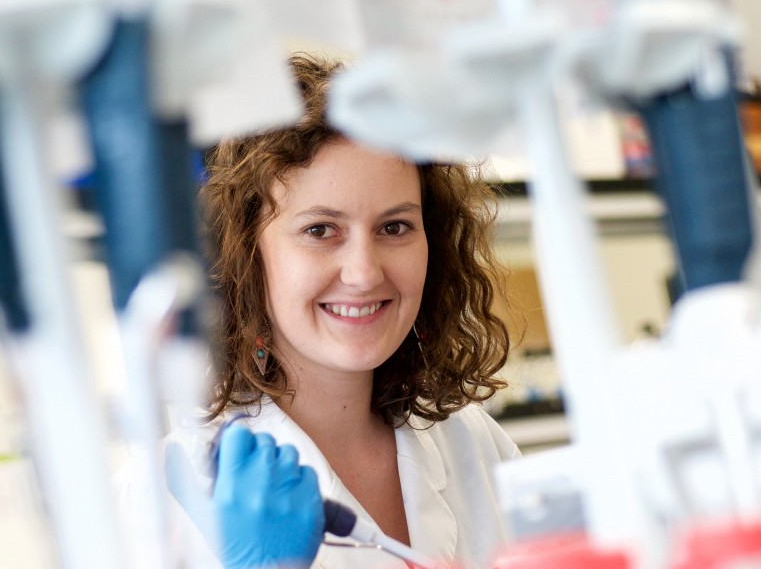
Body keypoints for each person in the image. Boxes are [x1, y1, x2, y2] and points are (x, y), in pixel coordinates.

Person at [165, 53, 519, 569]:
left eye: (394, 227)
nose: (364, 273)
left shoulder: (473, 443)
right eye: (319, 230)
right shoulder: (178, 490)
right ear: (245, 255)